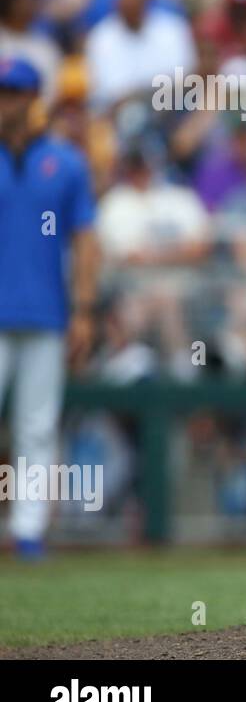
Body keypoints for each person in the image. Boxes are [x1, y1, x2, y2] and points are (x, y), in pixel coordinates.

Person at [0, 58, 99, 560]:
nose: (5, 102)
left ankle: (29, 531)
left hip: (44, 311)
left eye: (13, 93)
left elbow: (85, 238)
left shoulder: (65, 162)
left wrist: (83, 308)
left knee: (36, 427)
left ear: (32, 98)